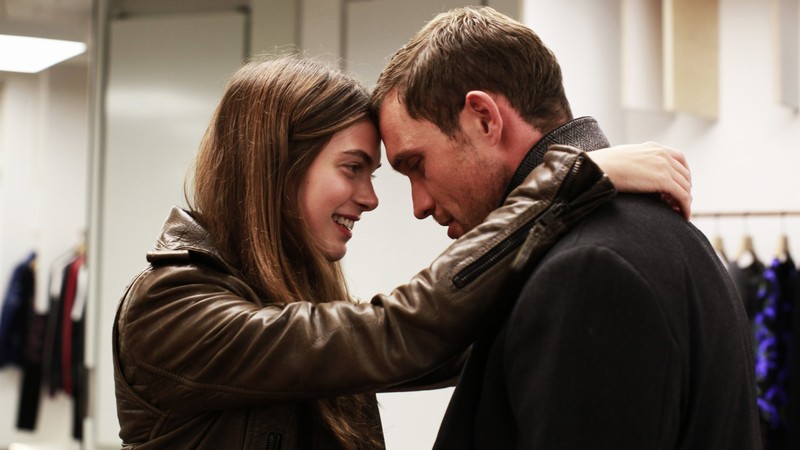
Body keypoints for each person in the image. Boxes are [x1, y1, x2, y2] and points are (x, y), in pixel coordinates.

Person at [112, 55, 692, 449]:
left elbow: (453, 339)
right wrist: (565, 182)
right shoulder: (168, 310)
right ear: (276, 168)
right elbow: (399, 333)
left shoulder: (280, 298)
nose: (371, 198)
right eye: (353, 168)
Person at [371, 6, 761, 450]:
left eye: (417, 165)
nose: (419, 205)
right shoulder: (650, 235)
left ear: (484, 118)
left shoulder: (587, 269)